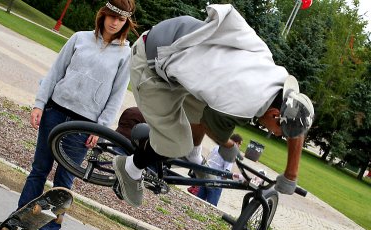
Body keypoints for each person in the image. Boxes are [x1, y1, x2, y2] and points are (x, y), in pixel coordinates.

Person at [113, 4, 314, 208]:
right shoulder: (242, 104)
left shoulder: (275, 76)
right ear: (273, 114)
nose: (280, 135)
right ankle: (130, 168)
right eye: (281, 131)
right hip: (152, 62)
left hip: (181, 42)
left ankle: (193, 156)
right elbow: (212, 129)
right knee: (175, 144)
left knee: (201, 110)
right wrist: (229, 147)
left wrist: (291, 174)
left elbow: (297, 121)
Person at [0, 0, 138, 230]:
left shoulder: (125, 55)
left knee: (64, 184)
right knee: (38, 170)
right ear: (103, 15)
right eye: (111, 16)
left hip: (82, 125)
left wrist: (101, 127)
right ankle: (18, 224)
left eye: (121, 19)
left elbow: (117, 95)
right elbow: (55, 72)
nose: (114, 22)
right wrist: (39, 104)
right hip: (55, 112)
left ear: (126, 23)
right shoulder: (79, 39)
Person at [197, 134, 244, 206]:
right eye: (240, 144)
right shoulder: (231, 154)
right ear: (236, 143)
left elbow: (209, 160)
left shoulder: (217, 147)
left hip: (206, 177)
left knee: (198, 202)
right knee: (211, 206)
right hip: (216, 182)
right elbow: (226, 173)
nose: (239, 147)